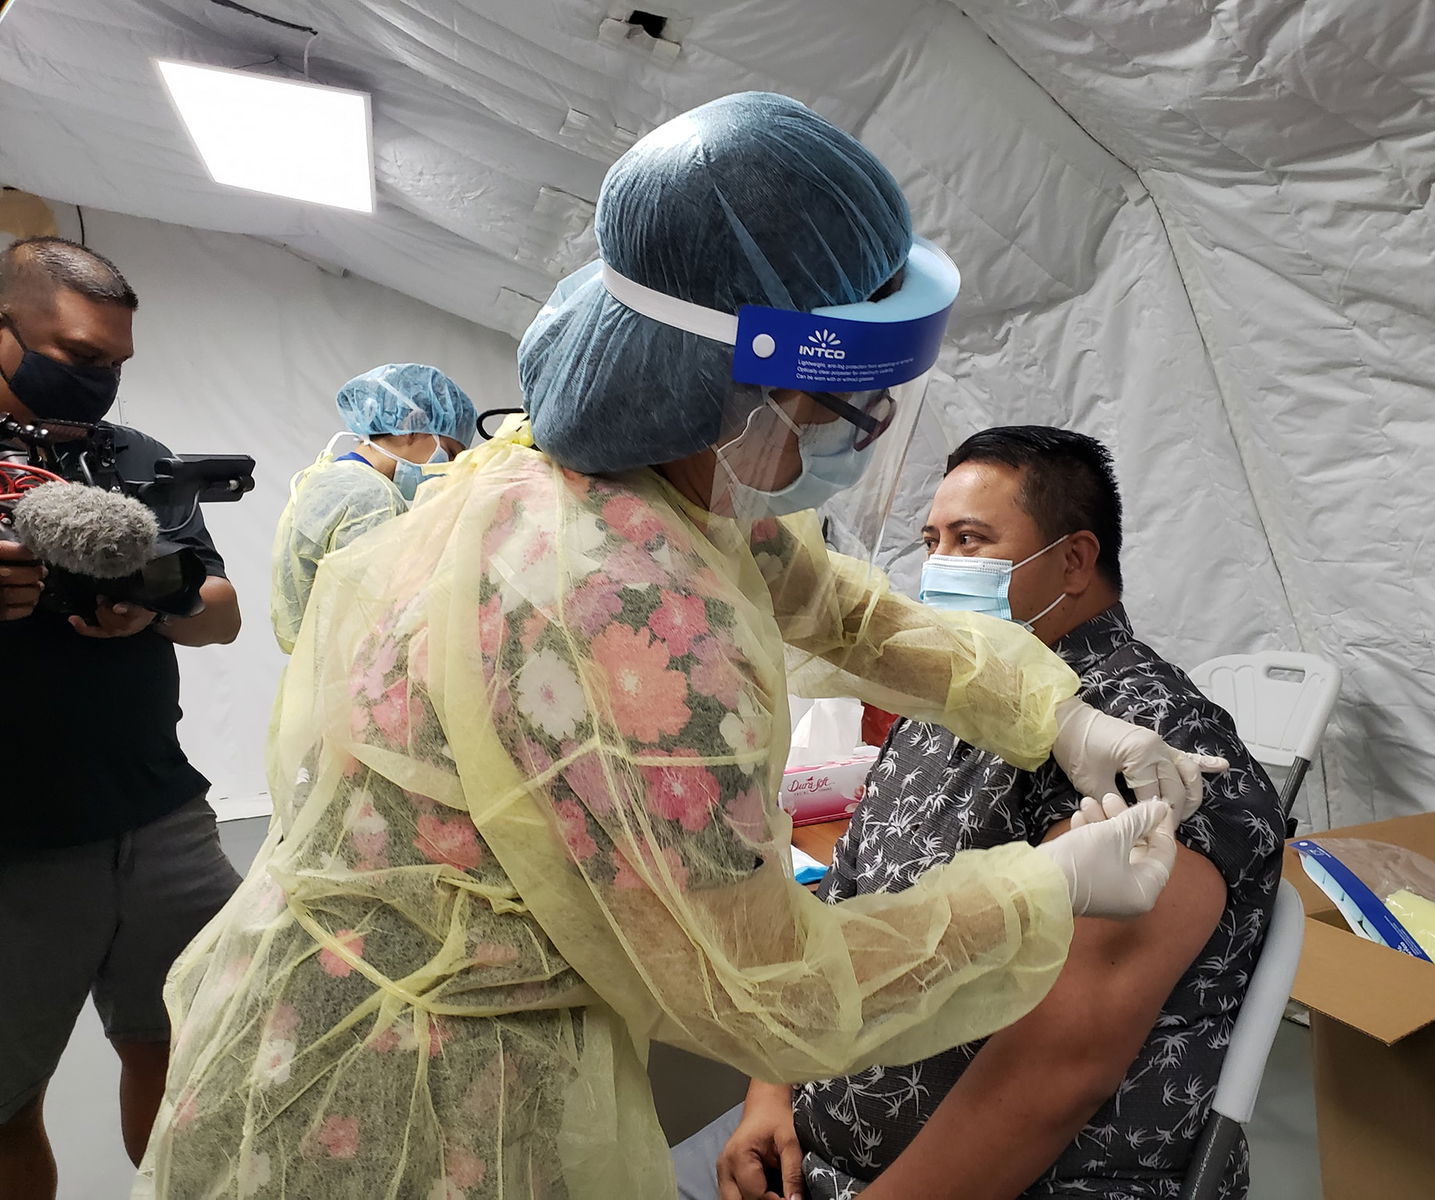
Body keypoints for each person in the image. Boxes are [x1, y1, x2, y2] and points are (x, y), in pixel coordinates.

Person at [136, 94, 1222, 1200]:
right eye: (844, 410)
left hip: (325, 1001)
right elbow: (760, 990)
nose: (858, 442)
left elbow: (842, 608)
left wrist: (1056, 714)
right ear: (740, 385)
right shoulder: (617, 599)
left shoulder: (629, 477)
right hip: (421, 1097)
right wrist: (1044, 890)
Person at [691, 426, 1284, 1200]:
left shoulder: (1155, 748)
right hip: (817, 1159)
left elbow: (1055, 1069)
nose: (939, 568)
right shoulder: (945, 703)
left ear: (1074, 561)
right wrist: (769, 1096)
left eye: (970, 541)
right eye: (931, 541)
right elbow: (838, 903)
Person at [0, 237, 243, 1200]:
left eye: (114, 364)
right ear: (5, 331)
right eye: (79, 355)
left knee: (187, 1056)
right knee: (11, 1102)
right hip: (15, 841)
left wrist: (158, 602)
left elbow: (220, 613)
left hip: (161, 817)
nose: (98, 380)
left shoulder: (132, 458)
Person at [270, 362, 477, 652]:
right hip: (357, 678)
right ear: (410, 426)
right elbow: (383, 618)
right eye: (451, 452)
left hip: (320, 671)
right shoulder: (373, 497)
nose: (451, 466)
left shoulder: (326, 478)